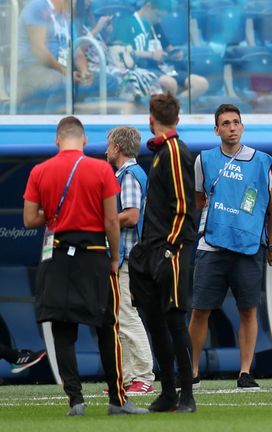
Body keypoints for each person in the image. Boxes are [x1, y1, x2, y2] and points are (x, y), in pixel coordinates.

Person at [23, 116, 147, 416]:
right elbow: (110, 222)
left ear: (56, 140)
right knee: (108, 327)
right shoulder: (101, 169)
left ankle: (75, 400)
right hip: (94, 254)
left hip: (57, 256)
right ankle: (118, 400)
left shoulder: (40, 171)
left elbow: (29, 219)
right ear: (84, 140)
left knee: (63, 330)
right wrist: (115, 257)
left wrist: (54, 214)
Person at [189, 104, 272, 390]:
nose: (231, 127)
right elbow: (199, 201)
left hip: (249, 247)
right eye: (225, 123)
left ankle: (244, 372)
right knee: (200, 310)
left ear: (242, 127)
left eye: (236, 122)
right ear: (216, 129)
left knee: (248, 310)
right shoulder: (203, 160)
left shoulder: (262, 161)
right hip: (211, 246)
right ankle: (191, 372)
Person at [128, 93, 197, 413]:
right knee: (156, 320)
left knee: (174, 319)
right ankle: (169, 391)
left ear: (150, 119)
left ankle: (186, 395)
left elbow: (184, 206)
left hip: (170, 250)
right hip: (154, 248)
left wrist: (170, 246)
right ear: (178, 118)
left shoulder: (173, 150)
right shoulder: (162, 152)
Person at [105, 126, 156, 395]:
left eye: (108, 145)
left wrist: (104, 222)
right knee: (118, 318)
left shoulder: (129, 175)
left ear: (116, 148)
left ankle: (144, 376)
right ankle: (124, 380)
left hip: (126, 258)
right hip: (122, 257)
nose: (105, 150)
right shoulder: (124, 174)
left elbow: (132, 215)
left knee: (127, 315)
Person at [111, 0, 208, 100]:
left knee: (201, 84)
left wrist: (174, 54)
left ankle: (177, 107)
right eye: (158, 15)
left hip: (163, 68)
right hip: (142, 69)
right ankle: (169, 109)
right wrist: (151, 55)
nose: (159, 20)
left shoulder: (155, 25)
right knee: (170, 83)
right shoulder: (127, 23)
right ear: (148, 6)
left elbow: (168, 48)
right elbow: (122, 52)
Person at [17, 0, 94, 113]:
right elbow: (39, 50)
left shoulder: (65, 16)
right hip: (35, 70)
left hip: (63, 71)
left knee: (110, 82)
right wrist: (66, 73)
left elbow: (77, 52)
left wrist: (84, 72)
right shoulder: (38, 6)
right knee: (65, 84)